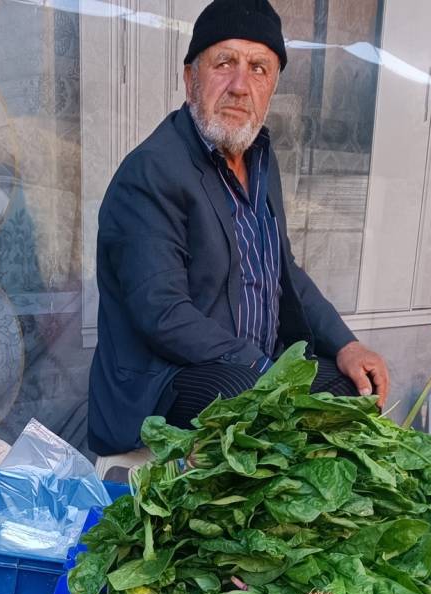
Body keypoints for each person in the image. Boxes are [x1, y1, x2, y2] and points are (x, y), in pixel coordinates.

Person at [87, 0, 389, 456]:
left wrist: (345, 345)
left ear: (273, 87)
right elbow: (161, 312)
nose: (239, 86)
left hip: (249, 368)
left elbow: (284, 272)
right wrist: (266, 368)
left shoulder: (258, 161)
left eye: (259, 68)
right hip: (167, 381)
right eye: (224, 63)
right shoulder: (151, 172)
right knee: (248, 393)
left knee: (349, 392)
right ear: (190, 78)